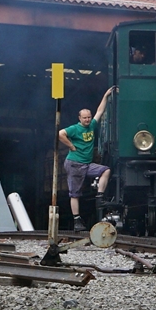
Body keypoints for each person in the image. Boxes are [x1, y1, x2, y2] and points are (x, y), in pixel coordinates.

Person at [58, 87, 115, 232]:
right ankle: (77, 220)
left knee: (106, 170)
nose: (87, 119)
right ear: (80, 118)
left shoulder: (92, 126)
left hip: (87, 164)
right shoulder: (75, 129)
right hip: (75, 164)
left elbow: (100, 111)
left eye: (89, 117)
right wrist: (71, 146)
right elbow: (60, 133)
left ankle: (99, 195)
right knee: (75, 193)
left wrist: (106, 95)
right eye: (85, 117)